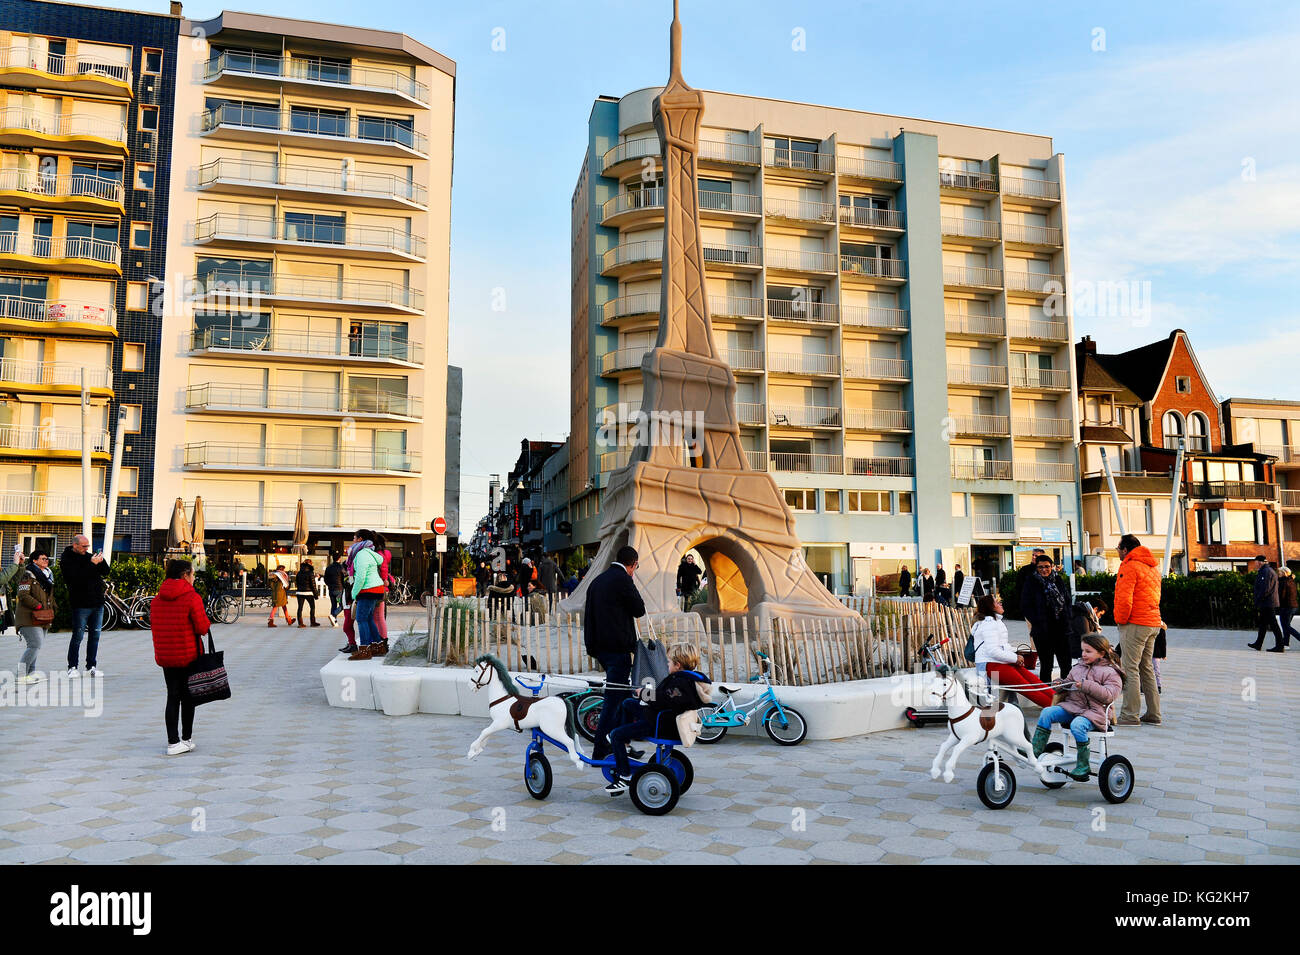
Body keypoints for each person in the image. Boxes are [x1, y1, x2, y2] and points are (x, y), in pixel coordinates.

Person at [605, 643, 712, 795]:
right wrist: (645, 693)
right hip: (664, 719)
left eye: (668, 662)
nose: (667, 665)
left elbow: (662, 699)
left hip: (658, 724)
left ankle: (625, 776)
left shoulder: (679, 683)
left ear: (678, 665)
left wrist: (644, 693)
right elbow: (667, 698)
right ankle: (626, 742)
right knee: (627, 703)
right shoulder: (690, 680)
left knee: (616, 735)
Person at [1031, 633, 1124, 780]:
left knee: (1077, 725)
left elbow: (1109, 695)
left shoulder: (1111, 672)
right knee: (1047, 712)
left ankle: (1083, 764)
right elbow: (1068, 682)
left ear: (1101, 653)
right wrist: (1060, 684)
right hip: (1073, 707)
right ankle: (1035, 750)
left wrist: (1086, 686)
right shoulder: (1078, 667)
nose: (1083, 654)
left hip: (1096, 713)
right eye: (1082, 650)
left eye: (1088, 651)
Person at [584, 545, 647, 761]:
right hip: (618, 649)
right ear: (633, 564)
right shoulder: (623, 579)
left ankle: (622, 744)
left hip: (599, 648)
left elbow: (589, 616)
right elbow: (639, 608)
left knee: (621, 697)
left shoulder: (597, 581)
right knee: (613, 701)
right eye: (635, 567)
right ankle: (600, 749)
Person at [151, 559, 212, 756]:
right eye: (193, 574)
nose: (194, 578)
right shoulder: (191, 597)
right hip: (188, 654)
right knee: (188, 697)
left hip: (166, 655)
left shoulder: (157, 599)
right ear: (185, 575)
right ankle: (186, 739)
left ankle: (172, 742)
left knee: (172, 696)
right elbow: (202, 628)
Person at [1112, 533, 1163, 725]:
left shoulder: (1129, 565)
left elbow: (1125, 599)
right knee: (1146, 667)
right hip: (1152, 622)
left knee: (1129, 667)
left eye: (1118, 548)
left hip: (1135, 623)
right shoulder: (1152, 567)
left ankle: (1130, 715)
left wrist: (1121, 620)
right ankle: (1154, 713)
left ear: (1125, 549)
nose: (1118, 552)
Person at [972, 594, 1054, 708]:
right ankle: (1058, 710)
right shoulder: (988, 624)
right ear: (990, 607)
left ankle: (1062, 703)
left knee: (1035, 681)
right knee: (1028, 688)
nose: (1000, 603)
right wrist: (1015, 658)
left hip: (999, 662)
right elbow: (993, 651)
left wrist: (1015, 657)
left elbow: (1002, 647)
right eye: (996, 602)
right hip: (991, 665)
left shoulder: (995, 622)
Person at [60, 533, 109, 677]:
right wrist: (91, 564)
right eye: (83, 546)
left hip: (97, 602)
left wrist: (101, 561)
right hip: (80, 603)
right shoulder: (67, 559)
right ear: (75, 545)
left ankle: (91, 667)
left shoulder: (90, 557)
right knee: (78, 636)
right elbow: (75, 578)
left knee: (95, 636)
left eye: (87, 546)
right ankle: (72, 667)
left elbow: (106, 572)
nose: (86, 549)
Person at [1021, 553, 1072, 684]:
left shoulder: (1058, 579)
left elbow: (1067, 599)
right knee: (1046, 665)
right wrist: (1036, 621)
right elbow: (1026, 605)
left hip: (1061, 628)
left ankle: (1066, 694)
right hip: (1042, 630)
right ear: (1036, 568)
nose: (1044, 570)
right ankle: (1047, 696)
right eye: (1040, 567)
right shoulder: (1031, 582)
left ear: (1052, 567)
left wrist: (1068, 616)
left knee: (1066, 664)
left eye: (1047, 566)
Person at [15, 550, 55, 684]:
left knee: (36, 646)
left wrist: (53, 608)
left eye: (47, 558)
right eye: (43, 558)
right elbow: (23, 595)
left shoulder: (48, 575)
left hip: (43, 617)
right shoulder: (27, 574)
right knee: (35, 644)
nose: (46, 560)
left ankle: (30, 673)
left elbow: (49, 597)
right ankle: (21, 675)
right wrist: (38, 606)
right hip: (28, 617)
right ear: (34, 560)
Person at [347, 531, 385, 660]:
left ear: (360, 539)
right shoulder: (370, 553)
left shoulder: (362, 554)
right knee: (368, 618)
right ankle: (378, 646)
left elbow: (361, 576)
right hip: (376, 588)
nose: (353, 539)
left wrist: (354, 593)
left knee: (361, 619)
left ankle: (364, 650)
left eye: (354, 537)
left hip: (368, 589)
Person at [1248, 554, 1285, 652]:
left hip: (1268, 603)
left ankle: (1280, 645)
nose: (1255, 564)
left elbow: (1265, 589)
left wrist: (1258, 600)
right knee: (1263, 624)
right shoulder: (1265, 571)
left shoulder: (1266, 572)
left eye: (1255, 562)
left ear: (1260, 562)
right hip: (1267, 602)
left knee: (1273, 624)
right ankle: (1258, 644)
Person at [1068, 597, 1109, 662]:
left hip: (1081, 647)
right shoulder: (1082, 617)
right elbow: (1088, 638)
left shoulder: (1086, 614)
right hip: (1077, 650)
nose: (1100, 617)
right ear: (1095, 609)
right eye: (1100, 614)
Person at [372, 532, 392, 651]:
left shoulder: (378, 554)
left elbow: (383, 568)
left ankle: (381, 641)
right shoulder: (384, 553)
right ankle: (381, 641)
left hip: (378, 587)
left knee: (377, 616)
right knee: (379, 616)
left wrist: (384, 579)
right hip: (382, 587)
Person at [294, 560, 319, 628]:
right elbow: (313, 585)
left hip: (299, 592)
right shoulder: (310, 573)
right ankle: (312, 622)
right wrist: (316, 594)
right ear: (310, 564)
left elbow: (296, 582)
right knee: (312, 607)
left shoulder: (299, 573)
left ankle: (300, 623)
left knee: (300, 608)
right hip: (308, 592)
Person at [1278, 567, 1299, 648]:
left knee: (1286, 626)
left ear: (1284, 573)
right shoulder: (1291, 581)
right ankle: (1286, 644)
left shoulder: (1284, 582)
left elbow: (1281, 596)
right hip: (1293, 606)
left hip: (1287, 606)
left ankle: (1287, 642)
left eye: (1279, 572)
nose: (1278, 573)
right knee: (1286, 625)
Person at [323, 554, 344, 627]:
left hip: (331, 589)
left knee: (333, 605)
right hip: (339, 588)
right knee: (342, 605)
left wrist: (329, 585)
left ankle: (334, 621)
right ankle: (333, 615)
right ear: (339, 558)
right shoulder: (341, 567)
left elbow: (325, 579)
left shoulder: (329, 567)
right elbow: (343, 578)